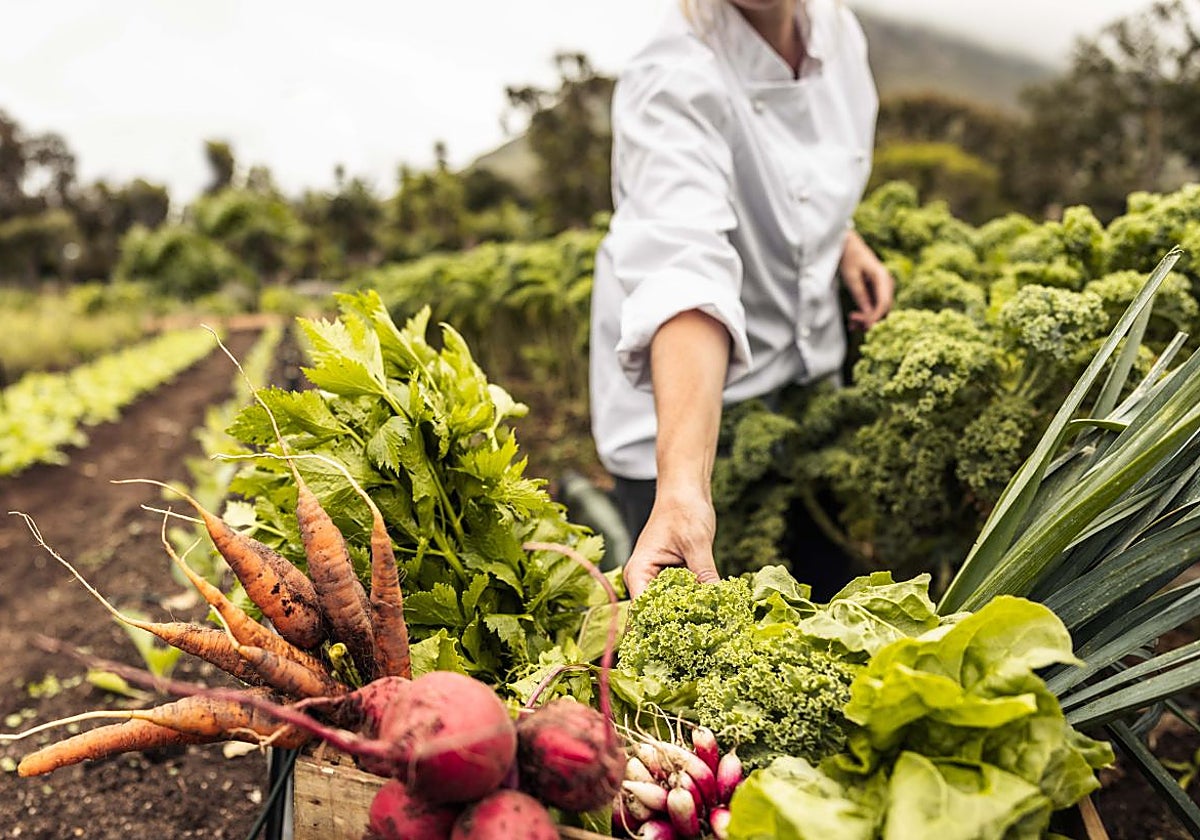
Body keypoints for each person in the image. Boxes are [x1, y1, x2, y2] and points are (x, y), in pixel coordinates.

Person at [589, 0, 894, 599]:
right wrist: (681, 489)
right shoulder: (672, 73)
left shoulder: (835, 30)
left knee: (826, 582)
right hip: (681, 404)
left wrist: (841, 237)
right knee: (706, 644)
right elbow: (684, 268)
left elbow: (803, 169)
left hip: (800, 376)